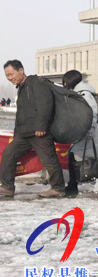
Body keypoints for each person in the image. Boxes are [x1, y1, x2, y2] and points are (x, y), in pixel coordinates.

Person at [0, 60, 65, 198]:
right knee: (8, 154)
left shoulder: (37, 83)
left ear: (21, 70)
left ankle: (58, 188)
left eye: (11, 74)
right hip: (23, 134)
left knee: (49, 160)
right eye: (7, 76)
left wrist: (41, 126)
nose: (10, 78)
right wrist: (17, 132)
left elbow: (45, 105)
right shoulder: (22, 87)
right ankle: (7, 187)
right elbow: (22, 113)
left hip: (38, 133)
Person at [62, 70, 98, 196]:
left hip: (90, 132)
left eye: (65, 81)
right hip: (90, 132)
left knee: (73, 156)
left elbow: (92, 114)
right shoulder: (81, 93)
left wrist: (90, 131)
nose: (64, 84)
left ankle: (72, 187)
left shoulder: (84, 94)